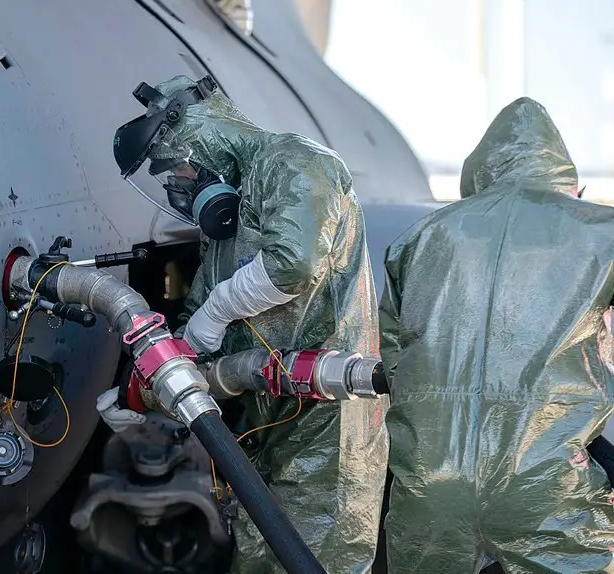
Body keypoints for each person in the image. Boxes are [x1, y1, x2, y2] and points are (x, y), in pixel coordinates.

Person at [97, 74, 388, 573]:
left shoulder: (294, 162)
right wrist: (146, 389)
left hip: (327, 424)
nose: (178, 185)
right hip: (265, 422)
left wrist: (216, 311)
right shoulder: (225, 227)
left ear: (205, 135)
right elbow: (196, 331)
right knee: (260, 556)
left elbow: (291, 265)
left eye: (180, 168)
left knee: (315, 555)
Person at [379, 97, 614, 573]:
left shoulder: (421, 236)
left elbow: (392, 362)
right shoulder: (602, 232)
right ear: (567, 180)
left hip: (430, 481)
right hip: (544, 479)